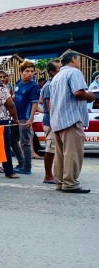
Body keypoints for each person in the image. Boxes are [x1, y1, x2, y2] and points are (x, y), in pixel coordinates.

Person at [49, 50, 95, 193]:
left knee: (61, 154)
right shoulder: (73, 72)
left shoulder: (57, 76)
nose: (79, 63)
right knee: (72, 153)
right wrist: (91, 96)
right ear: (73, 59)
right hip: (71, 118)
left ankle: (61, 182)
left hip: (58, 119)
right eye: (79, 60)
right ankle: (70, 183)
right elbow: (78, 93)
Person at [13, 60, 40, 175]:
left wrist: (31, 118)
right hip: (16, 117)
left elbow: (35, 103)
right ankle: (21, 163)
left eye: (32, 71)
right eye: (27, 71)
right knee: (14, 141)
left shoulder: (33, 86)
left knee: (25, 142)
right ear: (21, 72)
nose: (30, 74)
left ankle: (27, 168)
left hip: (25, 117)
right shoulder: (19, 83)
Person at [39, 60, 61, 184]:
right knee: (50, 149)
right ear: (52, 72)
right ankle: (48, 175)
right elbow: (50, 106)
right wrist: (56, 121)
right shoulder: (49, 86)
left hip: (55, 120)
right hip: (51, 121)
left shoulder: (56, 83)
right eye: (59, 68)